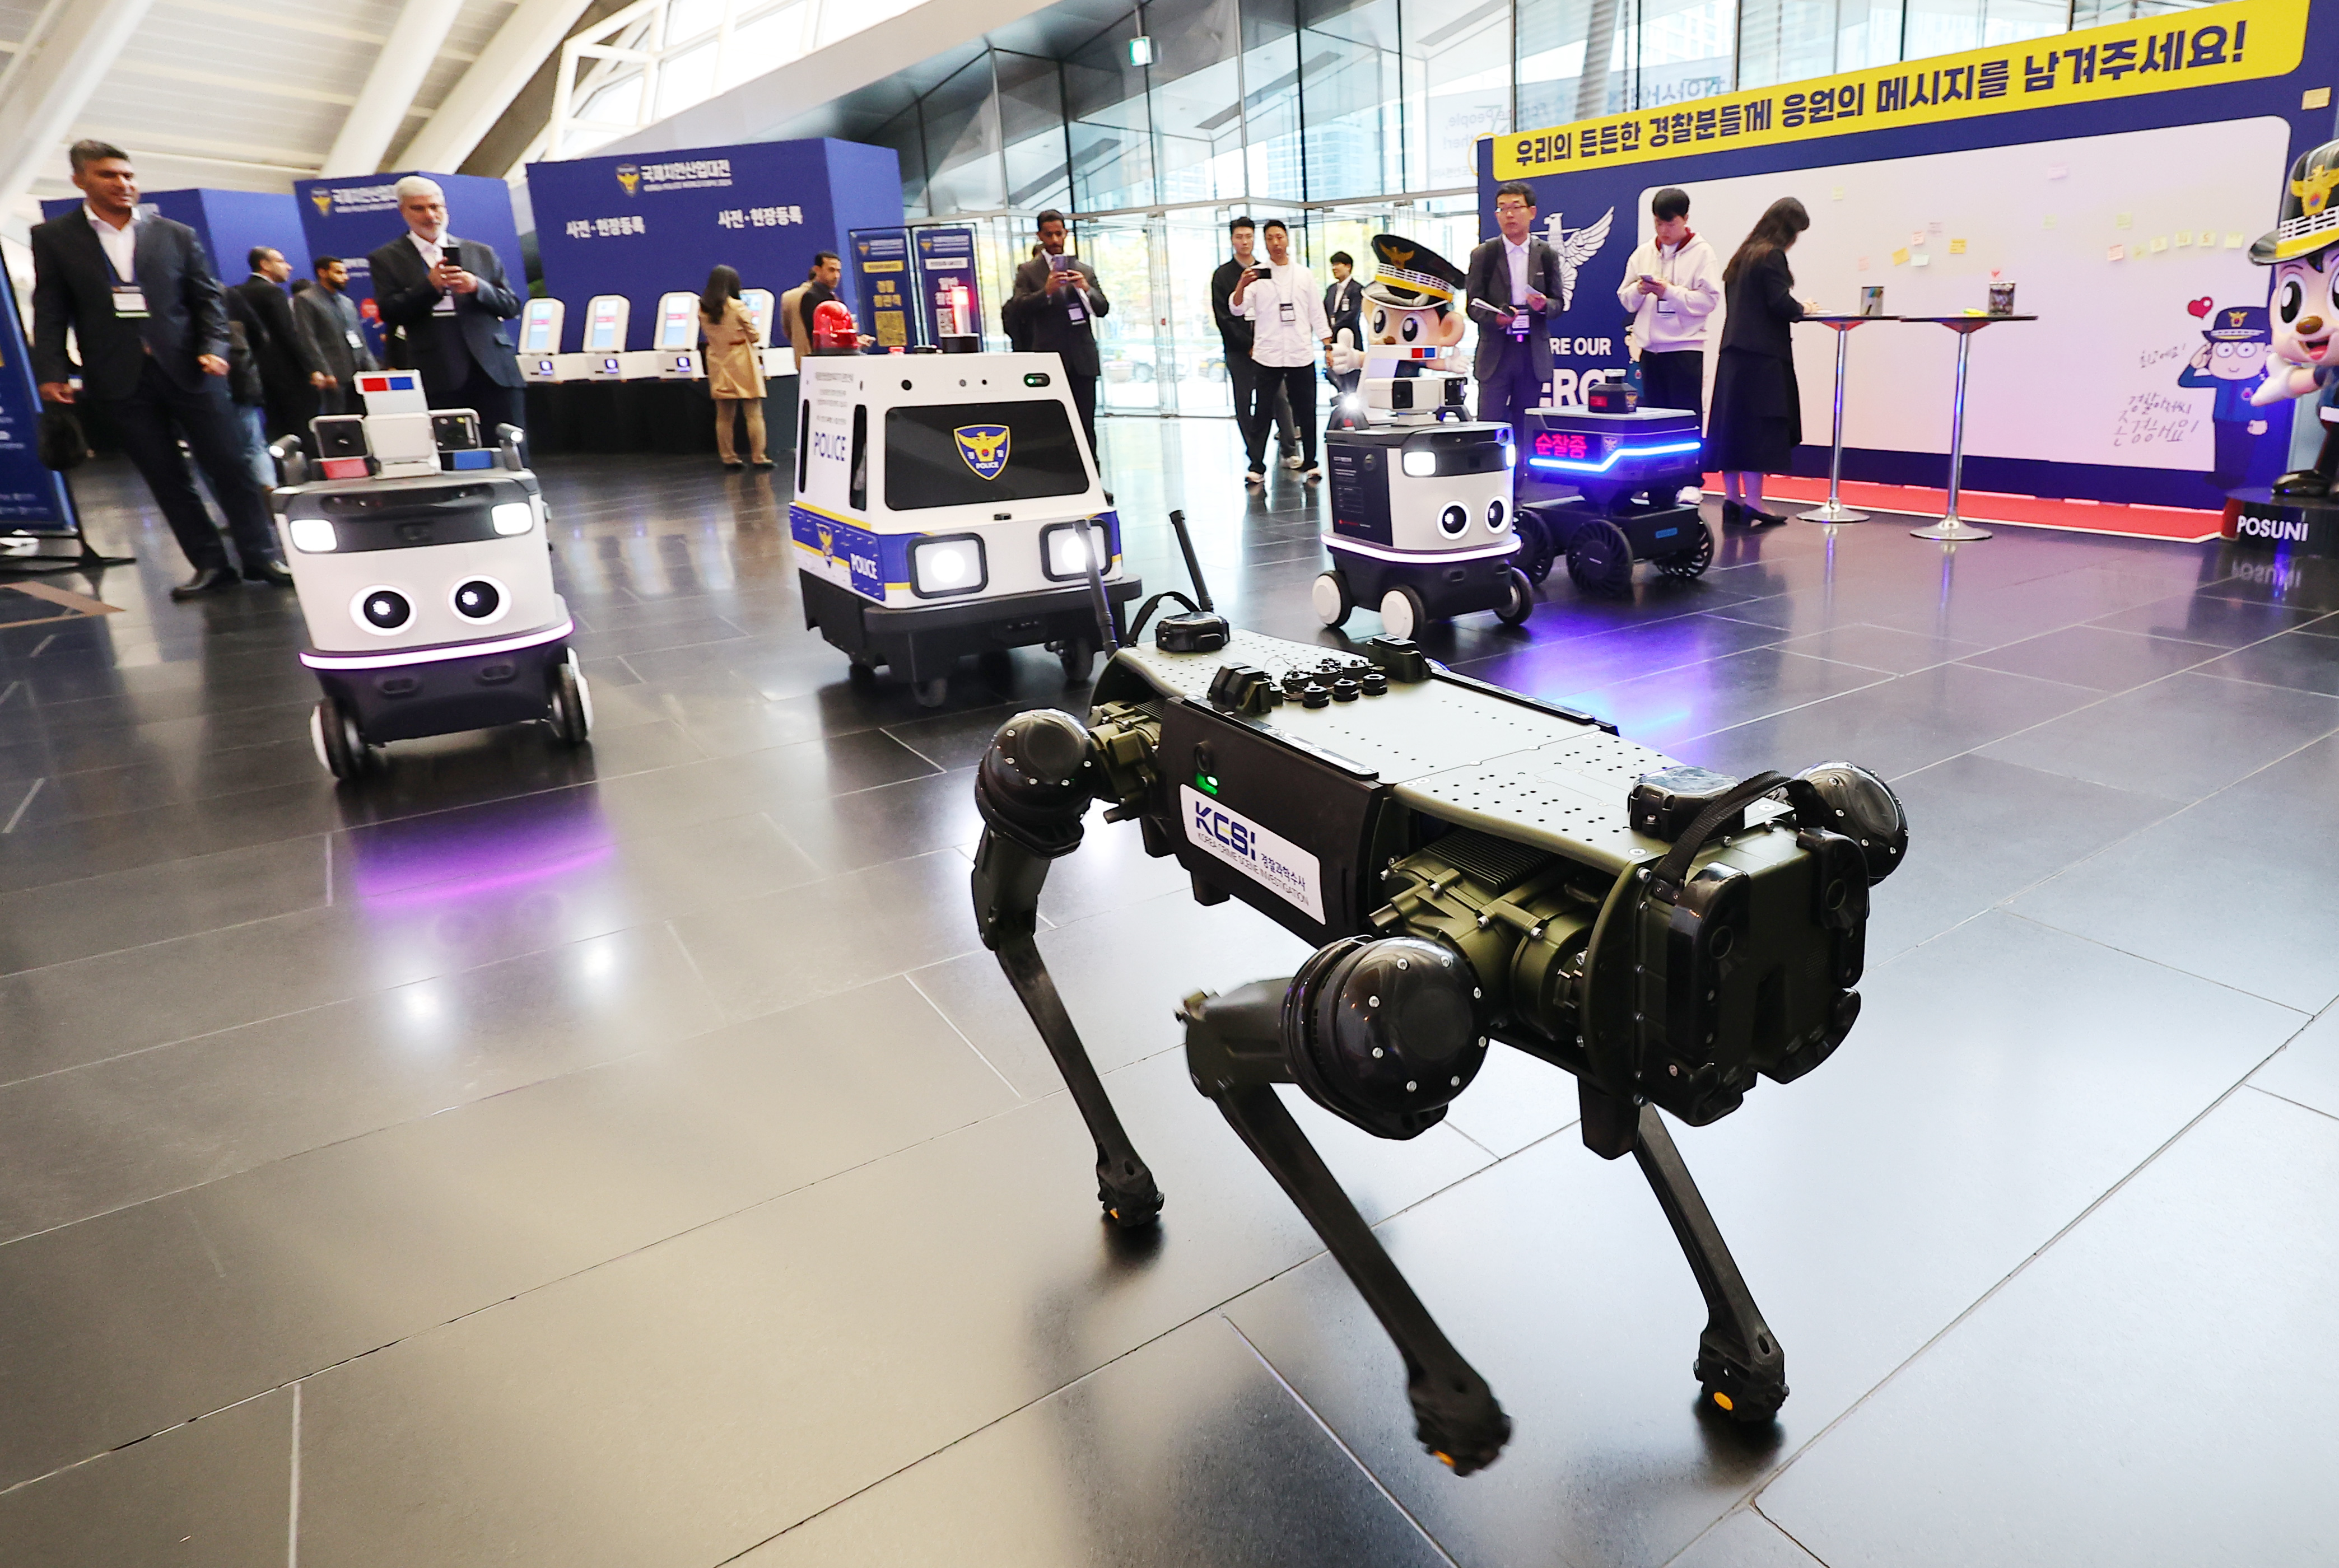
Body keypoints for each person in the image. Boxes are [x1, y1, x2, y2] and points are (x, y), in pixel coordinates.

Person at [30, 139, 288, 597]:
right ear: (80, 181)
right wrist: (51, 371)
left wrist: (215, 349)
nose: (123, 184)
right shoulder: (54, 238)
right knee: (165, 476)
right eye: (109, 175)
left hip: (193, 368)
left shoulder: (175, 233)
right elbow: (51, 307)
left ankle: (262, 557)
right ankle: (211, 565)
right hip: (118, 375)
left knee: (231, 467)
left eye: (128, 175)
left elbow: (208, 300)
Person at [366, 175, 526, 441]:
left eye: (435, 207)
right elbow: (390, 312)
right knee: (455, 449)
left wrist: (477, 287)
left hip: (494, 367)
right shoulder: (387, 258)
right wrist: (430, 287)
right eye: (419, 208)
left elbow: (510, 306)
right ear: (403, 211)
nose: (430, 216)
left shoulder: (481, 252)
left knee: (511, 446)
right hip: (438, 368)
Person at [1707, 197, 1814, 527]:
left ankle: (1731, 499)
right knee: (1757, 430)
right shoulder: (1772, 256)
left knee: (1732, 428)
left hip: (1733, 354)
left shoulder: (1742, 257)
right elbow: (1780, 303)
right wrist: (1805, 308)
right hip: (1763, 358)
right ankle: (1754, 501)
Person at [1231, 218, 1329, 483]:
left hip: (1300, 352)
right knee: (1262, 412)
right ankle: (1257, 466)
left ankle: (1311, 462)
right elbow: (1237, 309)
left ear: (1287, 240)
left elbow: (1317, 313)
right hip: (1268, 354)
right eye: (1271, 239)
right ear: (1265, 242)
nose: (1276, 243)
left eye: (1280, 237)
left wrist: (1327, 344)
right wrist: (1241, 285)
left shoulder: (1304, 274)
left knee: (1306, 411)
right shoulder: (1257, 274)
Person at [1003, 209, 1108, 456]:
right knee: (1052, 424)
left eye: (1059, 234)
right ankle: (1061, 482)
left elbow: (1102, 308)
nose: (1055, 240)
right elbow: (1018, 308)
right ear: (1040, 235)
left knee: (1086, 425)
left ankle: (1093, 482)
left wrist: (1085, 289)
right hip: (1049, 357)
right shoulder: (1029, 271)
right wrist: (1046, 292)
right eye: (1049, 235)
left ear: (1066, 233)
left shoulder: (1085, 270)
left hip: (1082, 359)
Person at [1617, 187, 1722, 425]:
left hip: (1685, 352)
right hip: (1650, 354)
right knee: (1652, 422)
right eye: (1658, 224)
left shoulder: (1703, 253)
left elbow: (1709, 301)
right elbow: (1625, 299)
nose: (1664, 231)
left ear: (1686, 219)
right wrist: (1639, 290)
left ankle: (1690, 464)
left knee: (1685, 421)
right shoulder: (1644, 253)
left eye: (1670, 224)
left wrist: (1669, 292)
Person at [1465, 181, 1564, 431]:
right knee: (1489, 426)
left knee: (1527, 425)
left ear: (1532, 212)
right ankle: (1492, 471)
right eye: (1502, 208)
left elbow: (1559, 304)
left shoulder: (1546, 254)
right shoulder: (1484, 254)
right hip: (1496, 353)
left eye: (1516, 207)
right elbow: (1472, 306)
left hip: (1531, 353)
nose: (1509, 214)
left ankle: (1525, 472)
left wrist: (1543, 306)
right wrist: (1495, 319)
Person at [1211, 218, 1299, 474]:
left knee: (1280, 398)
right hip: (1239, 351)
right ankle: (1254, 454)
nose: (1245, 242)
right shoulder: (1223, 275)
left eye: (1249, 237)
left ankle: (1290, 450)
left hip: (1270, 348)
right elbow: (1224, 317)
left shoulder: (1266, 270)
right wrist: (1248, 345)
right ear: (1232, 240)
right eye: (1239, 237)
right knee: (1244, 401)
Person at [233, 246, 329, 442]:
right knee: (301, 428)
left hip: (256, 373)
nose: (289, 267)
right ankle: (308, 471)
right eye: (281, 262)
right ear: (265, 265)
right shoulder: (272, 292)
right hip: (287, 375)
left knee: (275, 427)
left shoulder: (237, 292)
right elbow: (288, 335)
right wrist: (311, 369)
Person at [700, 264, 771, 470]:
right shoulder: (737, 306)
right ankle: (759, 456)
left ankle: (729, 457)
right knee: (753, 411)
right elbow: (754, 335)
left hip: (717, 360)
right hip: (741, 360)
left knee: (724, 415)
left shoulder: (703, 308)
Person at [295, 255, 378, 416]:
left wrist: (373, 371)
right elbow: (308, 339)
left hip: (359, 374)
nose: (345, 277)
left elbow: (360, 339)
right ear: (323, 273)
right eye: (339, 273)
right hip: (334, 375)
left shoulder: (347, 302)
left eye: (345, 273)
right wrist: (325, 371)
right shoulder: (306, 299)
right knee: (338, 423)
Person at [1323, 250, 1362, 396]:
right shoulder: (1331, 289)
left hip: (1350, 339)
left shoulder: (1357, 289)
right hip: (1333, 340)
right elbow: (1325, 311)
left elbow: (1353, 314)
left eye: (1338, 264)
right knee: (1333, 373)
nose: (1334, 268)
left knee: (1351, 376)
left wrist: (1335, 327)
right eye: (1333, 265)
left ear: (1348, 267)